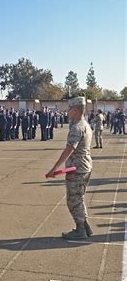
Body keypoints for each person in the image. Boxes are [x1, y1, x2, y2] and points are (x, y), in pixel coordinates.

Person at [46, 96, 93, 240]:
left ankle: (80, 230)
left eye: (70, 109)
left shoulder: (78, 127)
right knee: (79, 198)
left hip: (77, 169)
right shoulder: (84, 124)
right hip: (84, 166)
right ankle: (85, 226)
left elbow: (69, 149)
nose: (68, 112)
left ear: (77, 110)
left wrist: (54, 168)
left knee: (73, 200)